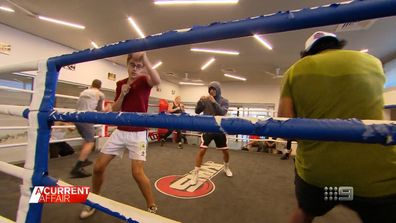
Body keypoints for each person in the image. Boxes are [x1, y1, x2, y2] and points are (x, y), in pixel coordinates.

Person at [278, 31, 396, 223]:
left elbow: (285, 125)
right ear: (337, 45)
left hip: (320, 179)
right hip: (375, 182)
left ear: (307, 53)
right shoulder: (373, 62)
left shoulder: (296, 69)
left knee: (305, 212)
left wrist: (312, 137)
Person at [80, 52, 161, 219]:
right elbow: (115, 109)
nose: (135, 69)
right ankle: (94, 201)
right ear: (127, 64)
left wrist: (144, 58)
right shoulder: (120, 83)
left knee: (137, 173)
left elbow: (157, 80)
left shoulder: (144, 81)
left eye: (139, 66)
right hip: (120, 131)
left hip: (138, 134)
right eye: (133, 65)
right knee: (98, 167)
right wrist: (123, 93)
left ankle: (152, 207)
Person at [190, 81, 232, 186]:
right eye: (210, 89)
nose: (212, 91)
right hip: (208, 128)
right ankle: (195, 174)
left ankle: (226, 167)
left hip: (219, 129)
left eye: (214, 89)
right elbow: (197, 111)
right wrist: (200, 102)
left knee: (225, 152)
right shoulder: (206, 100)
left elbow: (222, 112)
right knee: (202, 150)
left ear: (218, 90)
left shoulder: (224, 101)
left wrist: (214, 102)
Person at [70, 79, 105, 178]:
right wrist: (108, 109)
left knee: (87, 139)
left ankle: (84, 159)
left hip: (76, 116)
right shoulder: (100, 94)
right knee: (90, 141)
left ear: (91, 85)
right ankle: (77, 167)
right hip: (86, 117)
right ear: (100, 86)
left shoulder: (83, 92)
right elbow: (99, 110)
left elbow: (78, 105)